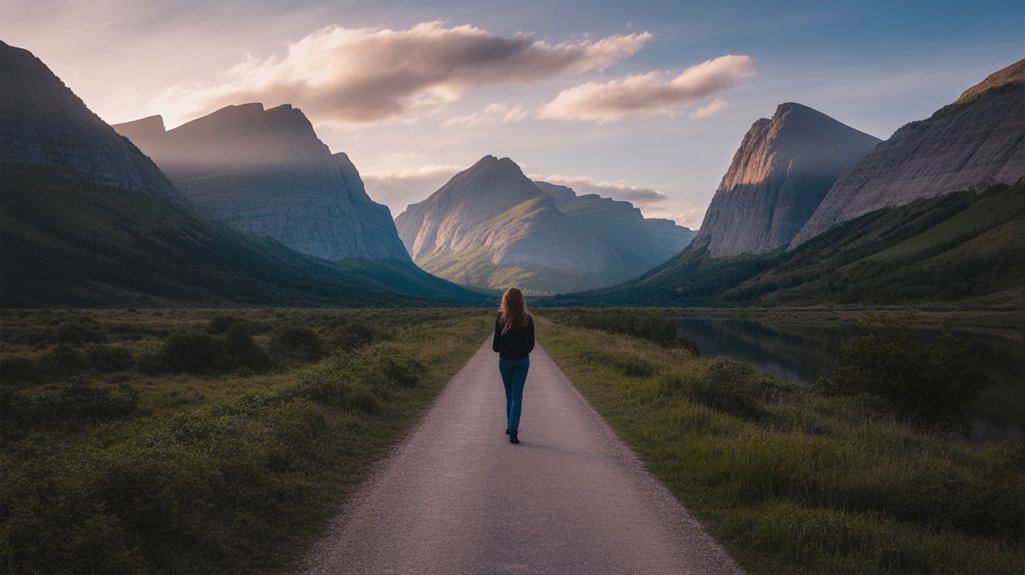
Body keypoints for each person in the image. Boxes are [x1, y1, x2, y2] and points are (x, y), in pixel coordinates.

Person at [492, 287, 534, 445]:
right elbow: (531, 344)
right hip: (522, 361)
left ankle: (511, 426)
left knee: (509, 395)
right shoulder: (528, 319)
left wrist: (504, 349)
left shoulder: (501, 318)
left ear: (506, 301)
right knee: (517, 395)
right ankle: (513, 429)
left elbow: (495, 346)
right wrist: (521, 351)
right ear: (521, 301)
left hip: (505, 361)